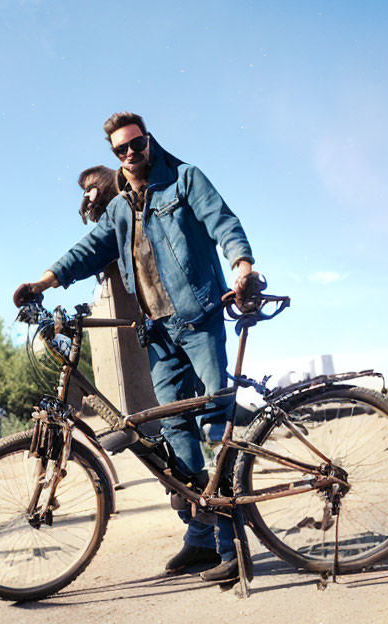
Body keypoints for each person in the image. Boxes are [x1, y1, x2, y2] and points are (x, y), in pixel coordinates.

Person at [14, 111, 261, 583]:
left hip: (201, 319)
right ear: (114, 155)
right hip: (158, 332)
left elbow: (223, 222)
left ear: (150, 140)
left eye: (137, 144)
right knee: (175, 432)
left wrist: (242, 266)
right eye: (121, 150)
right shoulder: (120, 206)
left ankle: (233, 545)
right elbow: (87, 250)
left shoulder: (184, 178)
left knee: (214, 424)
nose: (131, 154)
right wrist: (42, 282)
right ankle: (200, 539)